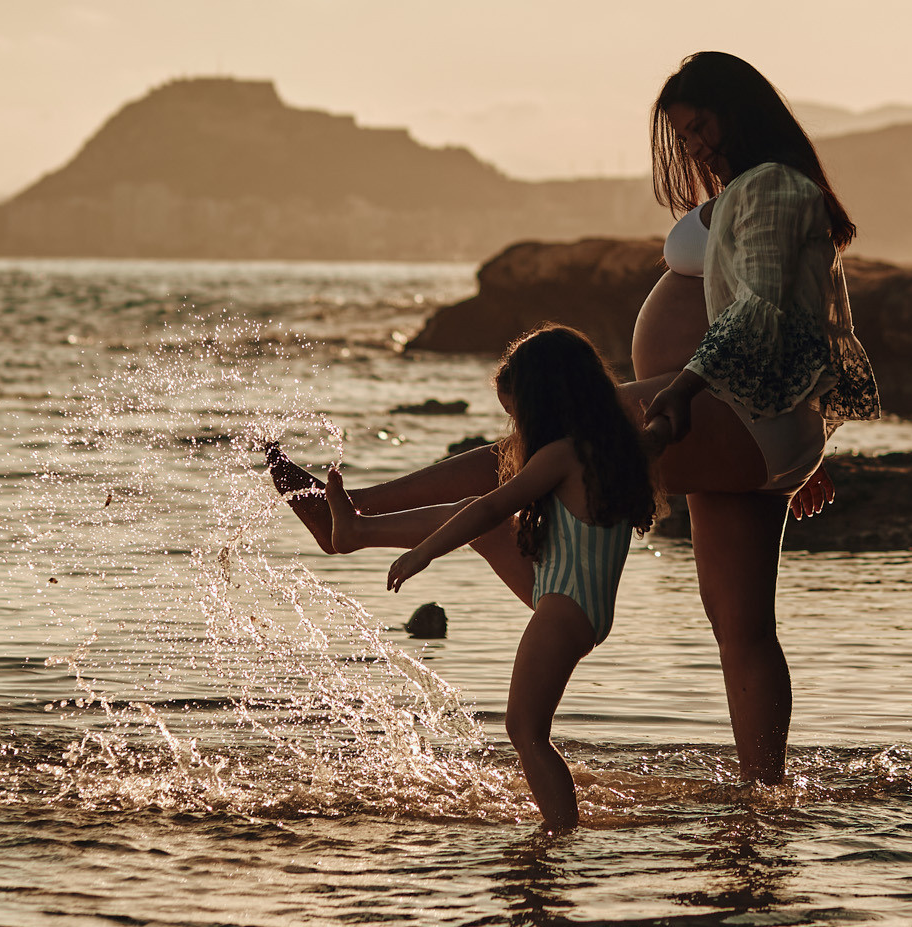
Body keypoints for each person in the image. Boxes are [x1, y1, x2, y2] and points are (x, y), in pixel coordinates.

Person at [270, 50, 878, 787]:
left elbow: (762, 313)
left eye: (701, 127)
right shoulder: (767, 188)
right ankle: (763, 799)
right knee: (740, 625)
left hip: (731, 412)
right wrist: (792, 449)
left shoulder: (776, 188)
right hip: (745, 424)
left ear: (741, 110)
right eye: (683, 137)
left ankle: (356, 516)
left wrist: (684, 398)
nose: (694, 147)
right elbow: (795, 316)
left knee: (536, 448)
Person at [273, 324, 654, 832]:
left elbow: (491, 504)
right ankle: (354, 531)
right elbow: (490, 517)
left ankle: (560, 835)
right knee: (490, 528)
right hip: (572, 598)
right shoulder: (619, 446)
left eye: (517, 414)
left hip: (564, 609)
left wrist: (421, 554)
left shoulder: (560, 456)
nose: (516, 427)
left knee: (526, 730)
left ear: (544, 402)